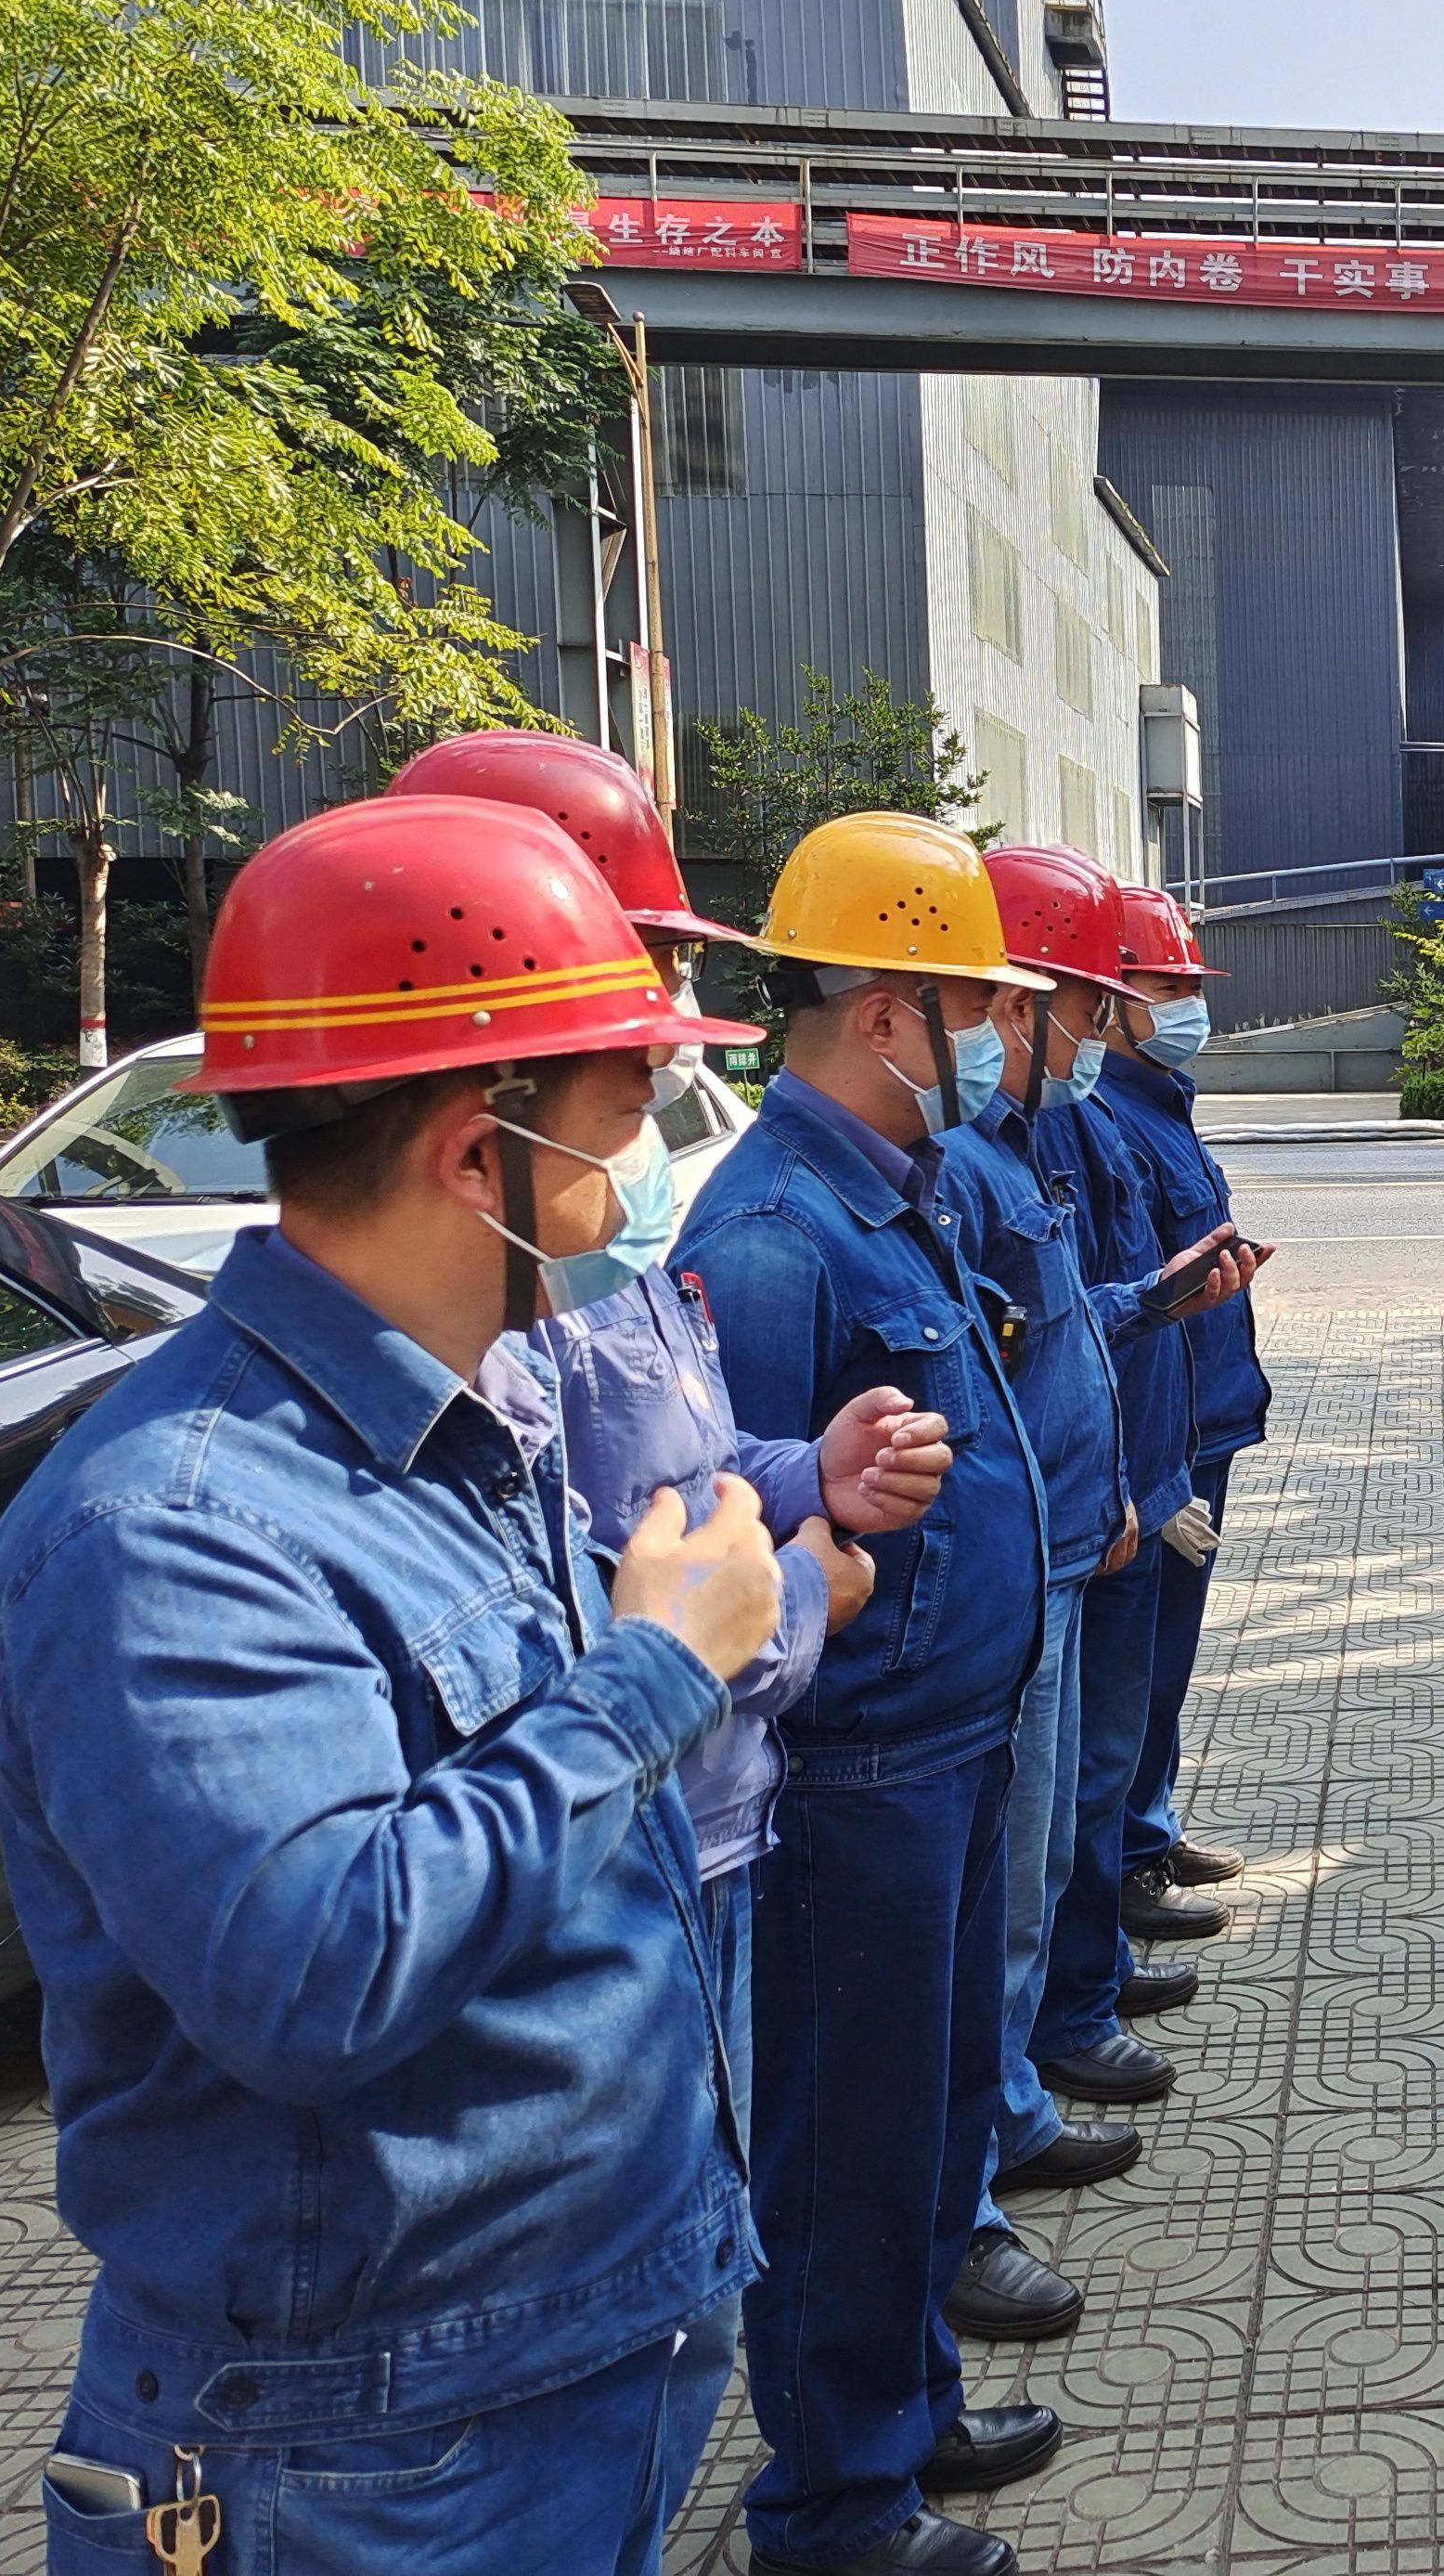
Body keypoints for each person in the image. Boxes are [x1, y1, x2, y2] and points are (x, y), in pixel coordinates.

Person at [0, 796, 784, 2573]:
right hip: (365, 2456)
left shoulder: (469, 1417)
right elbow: (314, 1970)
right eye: (622, 1099)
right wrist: (652, 1675)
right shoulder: (172, 1531)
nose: (647, 1149)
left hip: (553, 2364)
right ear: (470, 1143)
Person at [386, 733, 955, 2169]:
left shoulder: (587, 1251)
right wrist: (786, 1615)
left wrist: (798, 1474)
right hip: (608, 1868)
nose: (660, 1032)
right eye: (631, 973)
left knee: (695, 2273)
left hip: (706, 1824)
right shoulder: (456, 1334)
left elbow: (676, 1472)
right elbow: (576, 1599)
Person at [675, 813, 1063, 2576]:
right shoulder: (770, 1229)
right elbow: (722, 1517)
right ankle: (832, 2506)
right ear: (889, 1010)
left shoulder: (886, 1194)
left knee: (930, 2114)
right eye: (972, 1006)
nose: (992, 1037)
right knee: (846, 2144)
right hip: (856, 1768)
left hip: (951, 1738)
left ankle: (905, 2405)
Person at [937, 847, 1250, 2332]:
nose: (1165, 1011)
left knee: (1065, 1811)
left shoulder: (1031, 1141)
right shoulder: (859, 1199)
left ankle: (1020, 2085)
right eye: (1137, 992)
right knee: (1024, 1853)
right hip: (1038, 1554)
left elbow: (1068, 1325)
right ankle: (1008, 2106)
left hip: (1090, 1512)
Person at [1080, 885, 1271, 1945]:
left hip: (1200, 1427)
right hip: (1160, 1441)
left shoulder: (1159, 1104)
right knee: (1128, 1674)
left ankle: (1144, 1834)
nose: (1189, 1006)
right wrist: (1141, 1487)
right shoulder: (1106, 1119)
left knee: (1162, 1666)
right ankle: (1118, 1871)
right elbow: (1106, 1317)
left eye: (1193, 986)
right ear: (1108, 1002)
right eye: (1168, 987)